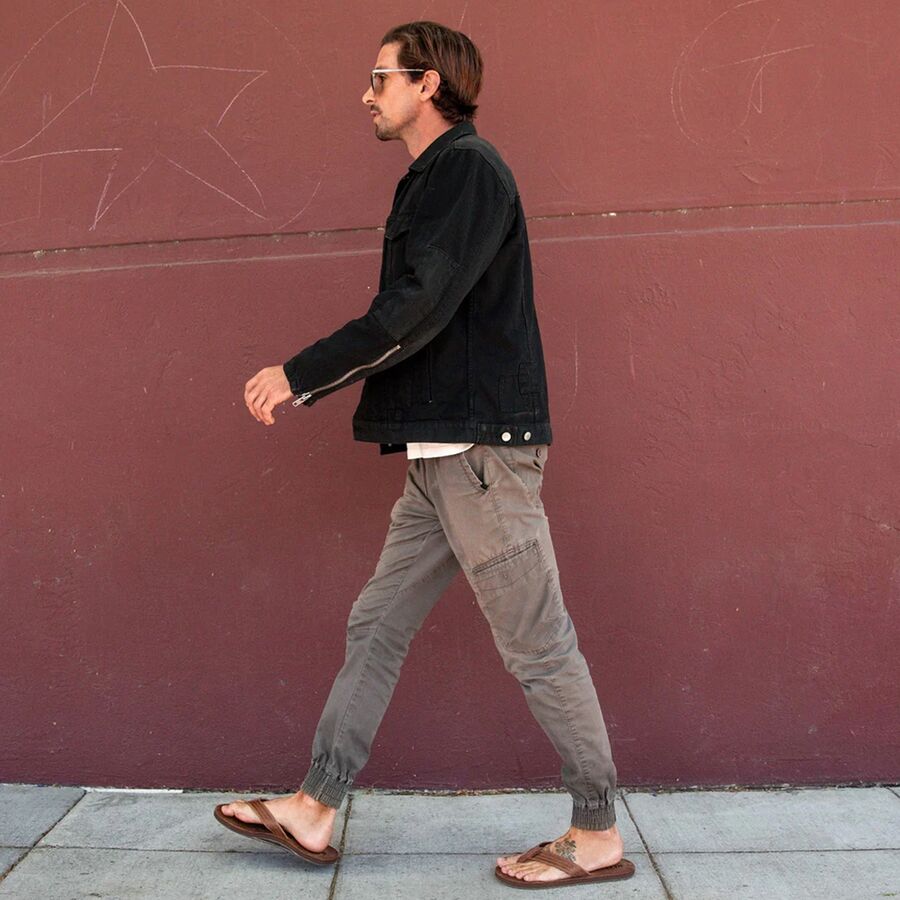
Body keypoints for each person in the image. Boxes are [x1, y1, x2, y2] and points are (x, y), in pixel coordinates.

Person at [216, 20, 634, 889]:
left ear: (428, 83)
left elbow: (415, 308)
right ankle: (316, 806)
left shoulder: (467, 171)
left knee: (538, 647)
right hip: (441, 461)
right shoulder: (435, 176)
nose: (366, 93)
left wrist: (299, 375)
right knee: (378, 624)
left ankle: (597, 830)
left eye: (381, 77)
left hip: (481, 460)